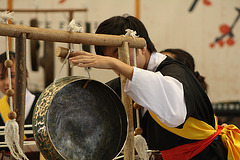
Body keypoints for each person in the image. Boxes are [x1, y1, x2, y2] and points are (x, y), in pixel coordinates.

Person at [69, 14, 240, 159]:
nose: (115, 61)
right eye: (110, 57)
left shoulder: (174, 71)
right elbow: (96, 101)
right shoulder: (128, 79)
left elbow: (175, 113)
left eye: (117, 52)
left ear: (141, 46)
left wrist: (118, 65)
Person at [0, 51, 40, 159]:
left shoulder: (41, 105)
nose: (7, 82)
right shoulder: (0, 107)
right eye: (1, 78)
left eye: (12, 76)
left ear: (25, 75)